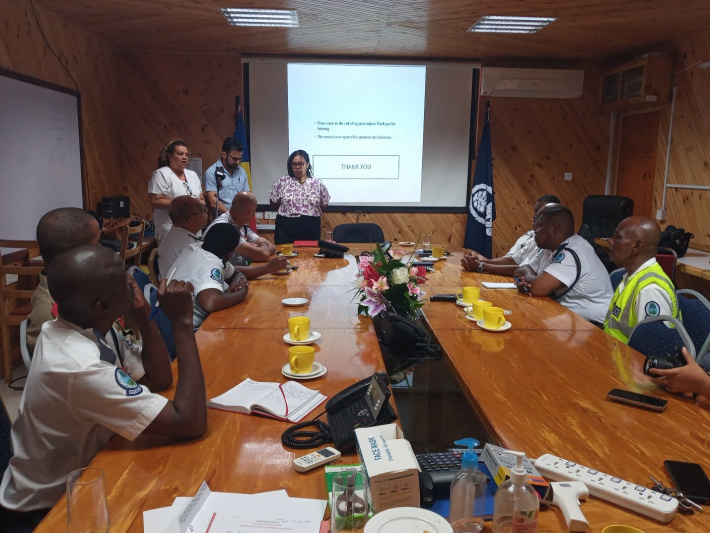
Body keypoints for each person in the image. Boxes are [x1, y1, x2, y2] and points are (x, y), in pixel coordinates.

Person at [0, 246, 206, 528]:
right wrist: (181, 323)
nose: (132, 279)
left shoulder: (90, 326)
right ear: (102, 306)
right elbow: (190, 421)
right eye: (122, 278)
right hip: (50, 511)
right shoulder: (78, 365)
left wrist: (144, 312)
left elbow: (159, 379)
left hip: (89, 473)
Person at [514, 204, 613, 324]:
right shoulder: (549, 247)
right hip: (565, 315)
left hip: (591, 324)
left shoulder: (574, 252)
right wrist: (525, 281)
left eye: (539, 226)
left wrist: (525, 280)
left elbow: (536, 288)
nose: (534, 230)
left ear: (554, 229)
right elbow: (524, 268)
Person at [26, 208, 102, 355]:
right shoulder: (52, 315)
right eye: (96, 244)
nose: (101, 249)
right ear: (72, 256)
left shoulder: (75, 289)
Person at [603, 216, 679, 343]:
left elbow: (652, 347)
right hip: (611, 349)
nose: (610, 241)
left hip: (625, 360)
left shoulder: (650, 290)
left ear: (637, 246)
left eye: (618, 237)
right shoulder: (633, 275)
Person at [171, 223, 249, 328]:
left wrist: (238, 283)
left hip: (171, 321)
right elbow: (211, 303)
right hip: (190, 330)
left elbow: (236, 273)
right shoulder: (210, 263)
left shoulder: (197, 248)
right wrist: (242, 293)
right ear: (230, 254)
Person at [461, 194, 560, 276]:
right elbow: (512, 260)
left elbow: (523, 269)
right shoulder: (532, 236)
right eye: (536, 213)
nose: (535, 217)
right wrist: (479, 263)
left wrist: (481, 265)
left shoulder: (550, 244)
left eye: (540, 214)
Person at [148, 139, 205, 242]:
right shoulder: (161, 174)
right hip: (170, 230)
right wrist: (184, 205)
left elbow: (201, 199)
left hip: (194, 229)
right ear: (170, 156)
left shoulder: (192, 175)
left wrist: (198, 204)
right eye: (180, 154)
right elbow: (156, 201)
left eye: (187, 155)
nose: (184, 157)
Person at [269, 150, 330, 244]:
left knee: (309, 257)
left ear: (307, 164)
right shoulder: (282, 181)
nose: (297, 167)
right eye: (294, 164)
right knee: (284, 257)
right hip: (285, 229)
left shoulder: (317, 183)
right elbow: (274, 202)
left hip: (310, 228)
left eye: (301, 164)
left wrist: (309, 211)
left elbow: (324, 204)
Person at [205, 191, 277, 264]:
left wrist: (259, 245)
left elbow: (272, 247)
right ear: (250, 213)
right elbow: (264, 255)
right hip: (226, 274)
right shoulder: (225, 228)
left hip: (238, 272)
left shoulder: (239, 222)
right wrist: (261, 245)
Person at [157, 196, 209, 277]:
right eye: (203, 210)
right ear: (191, 220)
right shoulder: (188, 247)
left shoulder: (177, 234)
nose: (207, 212)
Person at [203, 137, 249, 217]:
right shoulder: (212, 172)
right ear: (224, 154)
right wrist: (232, 216)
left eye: (240, 159)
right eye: (234, 159)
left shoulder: (242, 172)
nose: (237, 162)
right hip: (222, 219)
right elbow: (213, 202)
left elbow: (247, 196)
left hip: (241, 218)